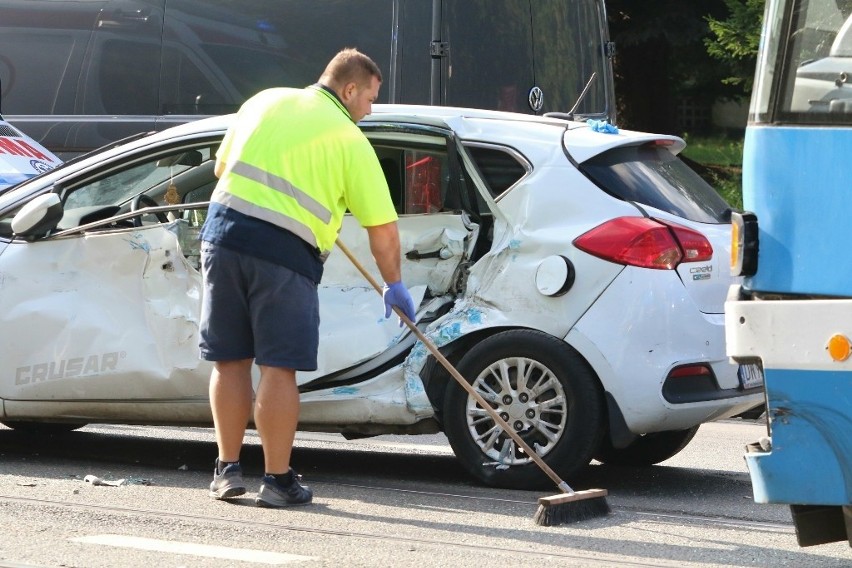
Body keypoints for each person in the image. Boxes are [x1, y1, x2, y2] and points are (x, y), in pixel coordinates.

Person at [198, 48, 416, 507]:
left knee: (230, 360)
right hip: (283, 255)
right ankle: (277, 481)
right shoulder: (350, 140)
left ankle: (226, 470)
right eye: (371, 99)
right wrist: (393, 283)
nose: (371, 110)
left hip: (222, 237)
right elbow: (383, 232)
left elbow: (223, 169)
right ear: (349, 88)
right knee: (279, 367)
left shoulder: (263, 101)